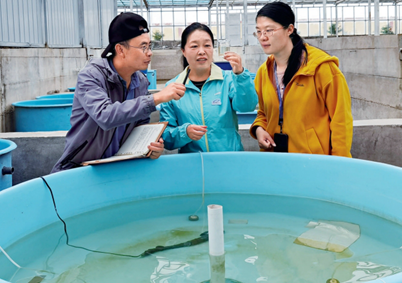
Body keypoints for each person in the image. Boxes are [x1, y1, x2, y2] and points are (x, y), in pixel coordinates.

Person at [51, 12, 185, 172]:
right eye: (143, 47)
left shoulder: (140, 81)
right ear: (120, 50)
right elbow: (105, 116)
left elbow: (140, 124)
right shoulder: (92, 75)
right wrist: (155, 99)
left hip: (118, 168)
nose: (149, 53)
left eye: (150, 46)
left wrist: (151, 147)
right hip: (81, 169)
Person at [250, 2, 353, 157]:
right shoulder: (264, 72)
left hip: (313, 162)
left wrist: (339, 163)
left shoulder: (321, 68)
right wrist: (258, 129)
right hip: (275, 159)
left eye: (269, 31)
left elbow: (341, 121)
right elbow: (263, 113)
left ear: (289, 29)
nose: (262, 37)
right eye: (258, 32)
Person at [159, 22, 258, 153]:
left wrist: (240, 75)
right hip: (194, 165)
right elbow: (166, 137)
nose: (202, 51)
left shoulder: (228, 80)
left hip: (229, 161)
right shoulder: (173, 88)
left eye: (207, 45)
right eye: (194, 46)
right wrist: (185, 133)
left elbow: (247, 106)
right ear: (183, 51)